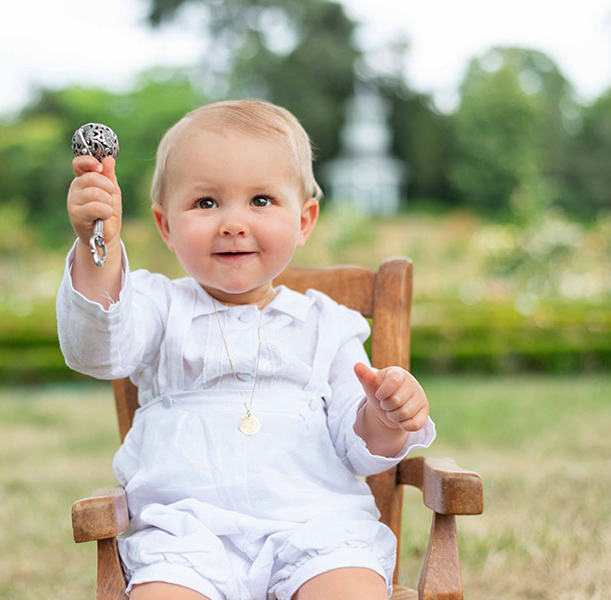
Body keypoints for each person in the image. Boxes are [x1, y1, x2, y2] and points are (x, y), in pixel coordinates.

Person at [58, 99, 435, 600]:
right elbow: (98, 351)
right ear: (165, 225)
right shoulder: (155, 307)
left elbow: (359, 443)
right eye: (207, 203)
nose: (233, 223)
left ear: (304, 221)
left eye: (260, 201)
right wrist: (95, 245)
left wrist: (385, 415)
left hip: (316, 532)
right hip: (186, 540)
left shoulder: (327, 325)